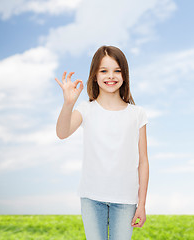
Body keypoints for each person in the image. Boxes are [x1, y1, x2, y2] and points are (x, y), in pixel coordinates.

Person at [55, 45, 149, 240]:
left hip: (125, 200)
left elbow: (143, 161)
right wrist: (68, 103)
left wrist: (141, 203)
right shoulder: (86, 109)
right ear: (95, 76)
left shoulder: (137, 114)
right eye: (104, 71)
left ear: (125, 75)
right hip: (92, 197)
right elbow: (62, 133)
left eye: (117, 71)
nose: (111, 76)